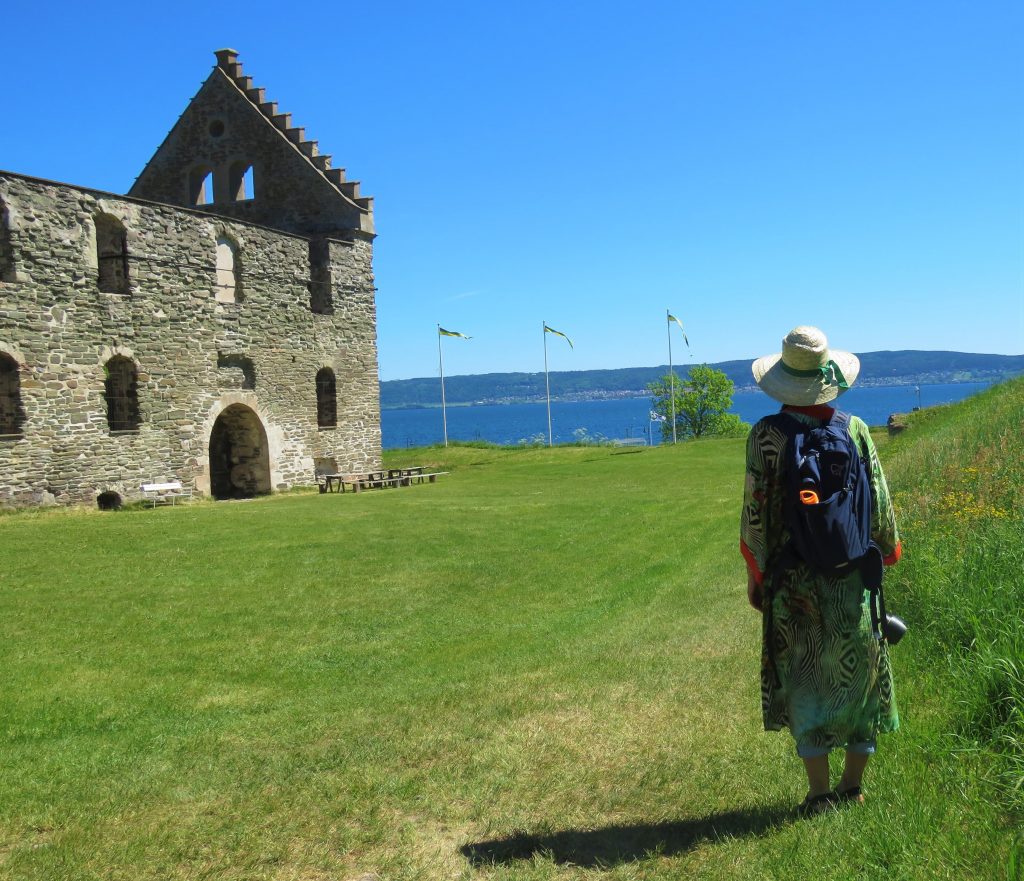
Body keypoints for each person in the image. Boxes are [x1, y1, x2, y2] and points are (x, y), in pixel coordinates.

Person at [740, 326, 902, 816]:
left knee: (807, 677)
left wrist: (758, 577)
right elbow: (880, 510)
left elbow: (756, 513)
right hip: (851, 578)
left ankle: (817, 794)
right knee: (860, 681)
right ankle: (853, 787)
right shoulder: (855, 430)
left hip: (795, 582)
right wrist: (886, 555)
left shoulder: (767, 436)